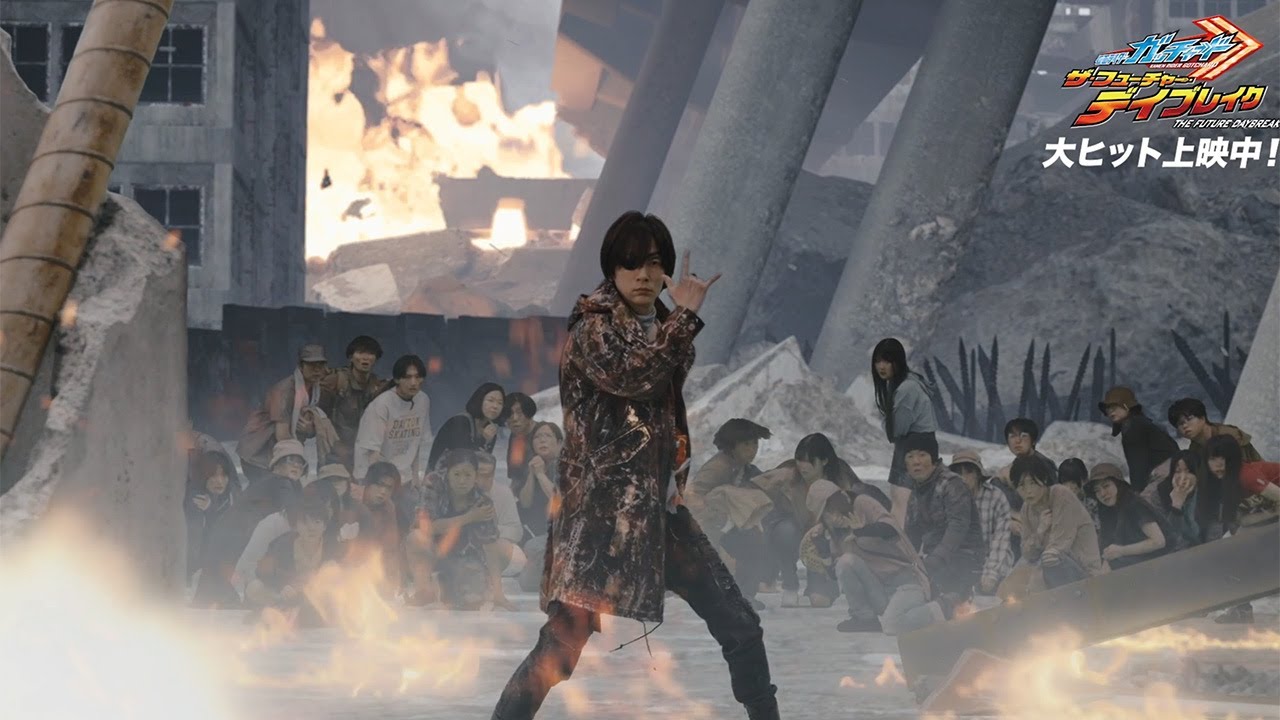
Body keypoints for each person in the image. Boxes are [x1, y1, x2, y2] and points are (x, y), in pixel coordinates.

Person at [491, 211, 778, 720]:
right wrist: (683, 318)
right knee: (562, 645)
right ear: (612, 269)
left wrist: (676, 322)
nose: (643, 275)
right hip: (600, 519)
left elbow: (664, 382)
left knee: (739, 624)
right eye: (631, 264)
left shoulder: (661, 325)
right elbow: (635, 379)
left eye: (654, 263)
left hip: (658, 514)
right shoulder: (594, 328)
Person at [800, 480, 937, 634]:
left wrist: (863, 530)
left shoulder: (862, 504)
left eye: (832, 508)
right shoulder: (838, 536)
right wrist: (824, 553)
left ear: (842, 498)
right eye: (826, 515)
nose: (833, 517)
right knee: (845, 562)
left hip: (907, 583)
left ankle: (941, 608)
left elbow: (891, 529)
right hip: (880, 591)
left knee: (892, 625)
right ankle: (864, 618)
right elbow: (836, 575)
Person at [193, 439, 308, 608]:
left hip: (231, 532)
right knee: (222, 587)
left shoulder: (280, 482)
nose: (296, 466)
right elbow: (292, 513)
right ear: (278, 464)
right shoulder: (281, 482)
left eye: (300, 462)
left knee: (214, 586)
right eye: (290, 460)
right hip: (237, 533)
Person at [788, 433, 891, 608]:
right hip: (819, 543)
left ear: (824, 461)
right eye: (799, 460)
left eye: (809, 460)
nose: (802, 465)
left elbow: (854, 513)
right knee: (818, 600)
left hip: (849, 542)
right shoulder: (795, 478)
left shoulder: (844, 480)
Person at [685, 419, 775, 610]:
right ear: (732, 446)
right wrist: (718, 519)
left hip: (728, 524)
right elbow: (693, 496)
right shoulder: (718, 466)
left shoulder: (745, 468)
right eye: (746, 444)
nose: (752, 450)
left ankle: (745, 595)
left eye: (755, 444)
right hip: (708, 526)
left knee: (754, 543)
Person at [997, 455, 1103, 602]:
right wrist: (1040, 531)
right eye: (1021, 485)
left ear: (1044, 479)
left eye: (1032, 483)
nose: (1028, 491)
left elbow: (1059, 546)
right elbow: (1027, 553)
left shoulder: (1061, 494)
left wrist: (1031, 584)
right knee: (1009, 588)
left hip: (1085, 575)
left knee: (1049, 561)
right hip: (1050, 570)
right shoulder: (1027, 508)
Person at [901, 433, 985, 612]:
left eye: (922, 455)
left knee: (944, 606)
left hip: (964, 557)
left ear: (933, 459)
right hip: (935, 559)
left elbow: (958, 526)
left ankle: (958, 600)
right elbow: (911, 535)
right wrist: (905, 562)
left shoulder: (952, 484)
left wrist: (935, 560)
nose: (916, 461)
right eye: (910, 456)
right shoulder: (915, 493)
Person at [422, 449, 515, 611]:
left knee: (472, 600)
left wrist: (499, 594)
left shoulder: (483, 501)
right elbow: (427, 528)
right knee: (415, 538)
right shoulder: (433, 484)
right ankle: (422, 592)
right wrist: (470, 517)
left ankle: (451, 584)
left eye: (467, 475)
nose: (462, 481)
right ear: (448, 473)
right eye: (457, 474)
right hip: (434, 550)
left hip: (466, 557)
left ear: (476, 477)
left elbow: (490, 547)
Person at [237, 344, 335, 483]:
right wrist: (298, 461)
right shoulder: (283, 391)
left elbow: (308, 426)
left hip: (284, 453)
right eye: (312, 365)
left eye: (320, 365)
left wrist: (309, 429)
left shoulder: (316, 390)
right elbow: (282, 435)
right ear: (301, 366)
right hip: (259, 454)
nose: (317, 370)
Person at [245, 491, 341, 627]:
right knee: (254, 587)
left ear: (324, 526)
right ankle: (281, 612)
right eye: (305, 523)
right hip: (287, 597)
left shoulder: (333, 547)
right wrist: (282, 587)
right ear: (296, 526)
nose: (311, 528)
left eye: (317, 522)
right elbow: (262, 573)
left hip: (318, 598)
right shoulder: (281, 545)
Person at [872, 337, 939, 526]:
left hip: (914, 445)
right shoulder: (905, 383)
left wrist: (887, 420)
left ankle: (900, 542)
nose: (881, 366)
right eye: (878, 361)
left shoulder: (906, 388)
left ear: (898, 361)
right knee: (904, 501)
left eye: (887, 361)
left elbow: (897, 430)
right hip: (916, 444)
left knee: (902, 502)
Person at [353, 354, 433, 484]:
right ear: (397, 379)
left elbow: (419, 443)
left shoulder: (423, 400)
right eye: (407, 377)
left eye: (417, 377)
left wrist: (417, 480)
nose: (413, 382)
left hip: (405, 477)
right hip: (376, 476)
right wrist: (376, 484)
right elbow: (371, 451)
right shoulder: (381, 405)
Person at [948, 450, 1014, 596]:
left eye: (969, 472)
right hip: (962, 563)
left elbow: (1000, 541)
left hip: (995, 560)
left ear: (978, 474)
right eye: (958, 473)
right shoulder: (948, 499)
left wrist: (990, 574)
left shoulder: (996, 497)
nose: (963, 478)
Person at [1085, 463, 1169, 571]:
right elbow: (1108, 544)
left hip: (1167, 562)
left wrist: (1121, 551)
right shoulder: (1108, 511)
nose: (1102, 493)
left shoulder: (1134, 505)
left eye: (1106, 486)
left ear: (1118, 484)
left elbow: (1159, 541)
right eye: (1097, 490)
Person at [321, 335, 384, 472]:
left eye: (370, 353)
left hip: (363, 453)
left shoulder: (376, 386)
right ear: (351, 357)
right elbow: (318, 412)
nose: (365, 358)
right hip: (335, 454)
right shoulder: (336, 380)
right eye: (360, 352)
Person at [1099, 386, 1178, 493]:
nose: (1110, 411)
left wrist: (1138, 493)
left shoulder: (1135, 427)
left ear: (1127, 406)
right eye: (1107, 407)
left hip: (1163, 482)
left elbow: (1138, 466)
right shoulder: (1137, 423)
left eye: (1115, 406)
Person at [1143, 450, 1222, 548]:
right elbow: (1168, 536)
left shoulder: (1210, 491)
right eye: (1177, 471)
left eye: (1189, 472)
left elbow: (1215, 530)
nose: (1183, 477)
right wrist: (1176, 506)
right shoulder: (1160, 494)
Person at [185, 450, 240, 585]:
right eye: (213, 476)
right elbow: (196, 541)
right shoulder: (197, 498)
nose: (219, 481)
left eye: (223, 475)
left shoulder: (230, 494)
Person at [428, 383, 508, 472]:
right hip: (441, 474)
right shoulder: (461, 422)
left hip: (468, 477)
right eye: (490, 400)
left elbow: (483, 464)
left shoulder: (490, 428)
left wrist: (487, 440)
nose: (495, 406)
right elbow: (463, 460)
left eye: (500, 403)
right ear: (479, 400)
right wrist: (483, 440)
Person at [475, 451, 528, 580]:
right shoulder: (459, 490)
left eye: (488, 475)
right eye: (479, 474)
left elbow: (516, 531)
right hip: (465, 545)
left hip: (494, 544)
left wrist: (489, 531)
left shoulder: (504, 492)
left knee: (504, 548)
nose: (483, 479)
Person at [510, 421, 563, 544]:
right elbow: (525, 503)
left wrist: (540, 475)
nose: (542, 440)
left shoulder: (567, 467)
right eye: (537, 437)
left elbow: (559, 500)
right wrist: (531, 474)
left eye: (548, 436)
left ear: (559, 443)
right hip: (530, 528)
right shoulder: (530, 464)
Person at [1168, 397, 1265, 465]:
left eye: (1189, 419)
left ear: (1202, 418)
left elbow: (1244, 471)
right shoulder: (1195, 449)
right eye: (1180, 423)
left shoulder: (1227, 436)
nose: (1185, 426)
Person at [501, 392, 538, 486]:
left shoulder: (545, 433)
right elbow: (516, 478)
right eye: (509, 414)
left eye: (520, 412)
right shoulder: (515, 436)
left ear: (529, 414)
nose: (514, 418)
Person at [1058, 458, 1100, 530]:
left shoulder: (1094, 500)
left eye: (1073, 482)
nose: (1069, 487)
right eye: (1065, 483)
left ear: (1084, 480)